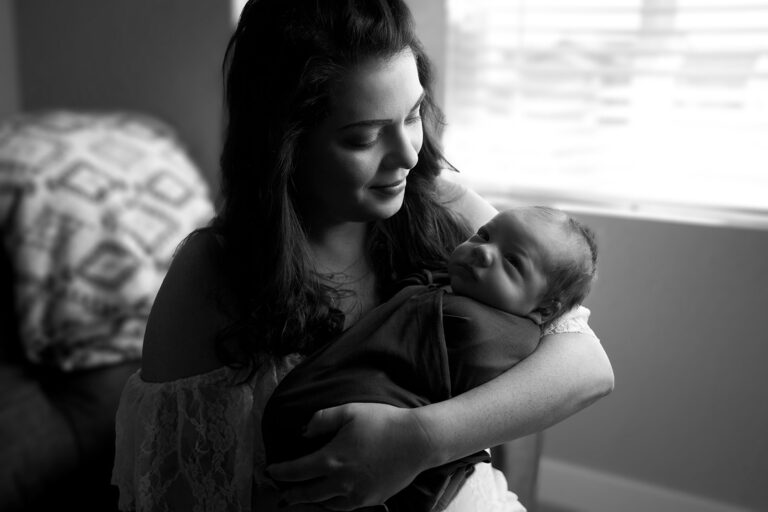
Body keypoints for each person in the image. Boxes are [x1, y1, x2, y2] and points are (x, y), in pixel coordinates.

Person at [111, 1, 614, 511]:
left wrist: (420, 439)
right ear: (286, 142)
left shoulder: (441, 205)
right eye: (364, 136)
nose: (409, 154)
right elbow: (182, 494)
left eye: (414, 114)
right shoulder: (211, 273)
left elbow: (587, 365)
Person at [263, 206, 599, 512]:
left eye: (512, 261)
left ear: (544, 309)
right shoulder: (451, 288)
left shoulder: (496, 335)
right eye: (483, 235)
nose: (483, 251)